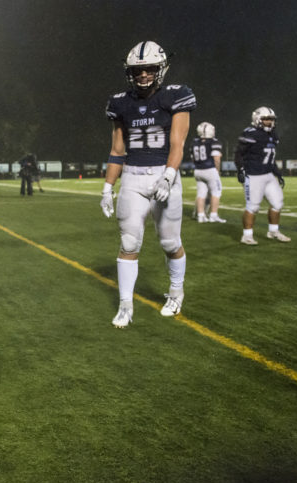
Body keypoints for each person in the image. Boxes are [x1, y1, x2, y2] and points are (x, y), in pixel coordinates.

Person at [100, 41, 196, 328]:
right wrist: (107, 187)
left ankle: (176, 292)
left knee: (169, 242)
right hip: (132, 176)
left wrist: (168, 176)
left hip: (163, 175)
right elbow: (117, 150)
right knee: (129, 242)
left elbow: (177, 144)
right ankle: (125, 305)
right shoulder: (120, 103)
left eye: (150, 69)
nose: (143, 75)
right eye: (138, 70)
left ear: (161, 68)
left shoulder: (176, 96)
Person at [234, 106, 290, 245]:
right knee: (252, 206)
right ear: (258, 119)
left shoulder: (273, 134)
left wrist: (277, 172)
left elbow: (270, 157)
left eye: (271, 119)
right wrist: (240, 169)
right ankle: (247, 235)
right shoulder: (250, 133)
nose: (270, 122)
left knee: (277, 203)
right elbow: (239, 154)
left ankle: (273, 231)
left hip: (268, 174)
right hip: (253, 175)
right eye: (266, 119)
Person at [191, 122, 225, 223]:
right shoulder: (214, 142)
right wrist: (217, 170)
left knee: (201, 193)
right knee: (216, 192)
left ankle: (201, 215)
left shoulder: (194, 142)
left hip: (198, 170)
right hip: (210, 170)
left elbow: (193, 158)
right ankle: (213, 215)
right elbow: (216, 158)